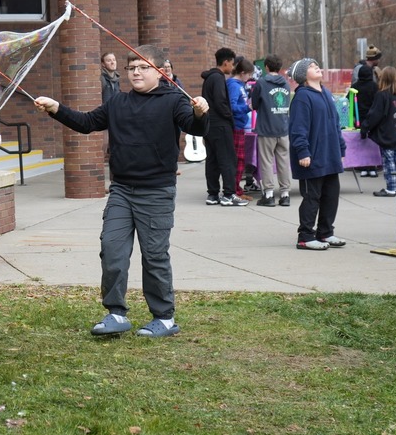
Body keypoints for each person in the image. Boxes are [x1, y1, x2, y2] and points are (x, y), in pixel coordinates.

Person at [34, 45, 209, 337]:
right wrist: (57, 109)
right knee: (113, 250)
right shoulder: (117, 103)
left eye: (143, 67)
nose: (136, 72)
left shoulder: (175, 100)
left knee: (154, 256)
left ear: (160, 71)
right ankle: (116, 313)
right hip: (121, 191)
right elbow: (88, 123)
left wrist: (201, 112)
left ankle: (164, 318)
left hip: (156, 191)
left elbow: (197, 128)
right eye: (131, 68)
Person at [288, 58, 346, 251]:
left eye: (316, 65)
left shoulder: (326, 93)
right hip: (311, 158)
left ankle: (325, 232)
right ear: (303, 75)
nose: (317, 68)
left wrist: (341, 148)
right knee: (312, 197)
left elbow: (335, 124)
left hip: (330, 156)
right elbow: (298, 128)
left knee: (331, 195)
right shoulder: (303, 97)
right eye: (312, 67)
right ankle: (305, 236)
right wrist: (303, 152)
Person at [200, 48, 247, 206]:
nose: (233, 67)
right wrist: (230, 117)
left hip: (209, 125)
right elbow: (221, 102)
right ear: (226, 62)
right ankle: (229, 194)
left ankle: (212, 194)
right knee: (228, 159)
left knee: (212, 160)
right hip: (221, 125)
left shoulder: (209, 78)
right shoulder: (219, 78)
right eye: (232, 64)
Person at [250, 54, 292, 207]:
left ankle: (268, 194)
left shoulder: (261, 83)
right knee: (283, 162)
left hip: (267, 128)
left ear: (266, 67)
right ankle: (285, 194)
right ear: (279, 67)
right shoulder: (286, 84)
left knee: (266, 161)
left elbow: (254, 104)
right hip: (283, 128)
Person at [360, 67, 396, 197]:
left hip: (386, 133)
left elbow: (375, 114)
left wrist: (365, 127)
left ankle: (390, 188)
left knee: (388, 160)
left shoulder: (382, 95)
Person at [228, 57, 254, 198]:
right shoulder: (233, 85)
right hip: (236, 125)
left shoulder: (239, 84)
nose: (250, 78)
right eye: (249, 74)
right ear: (243, 72)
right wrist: (247, 108)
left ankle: (237, 188)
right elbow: (231, 106)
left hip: (240, 125)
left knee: (241, 159)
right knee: (239, 159)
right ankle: (235, 190)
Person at [351, 63, 379, 177]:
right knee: (373, 143)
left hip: (359, 118)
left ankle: (362, 166)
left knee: (362, 143)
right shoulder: (374, 86)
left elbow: (350, 100)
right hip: (373, 118)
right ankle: (373, 167)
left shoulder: (355, 86)